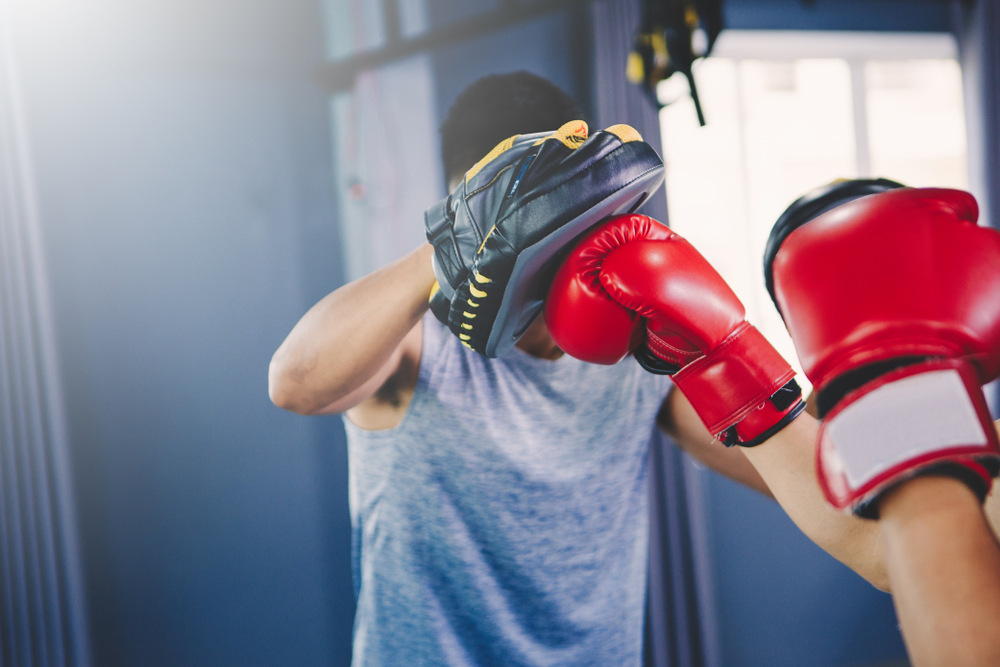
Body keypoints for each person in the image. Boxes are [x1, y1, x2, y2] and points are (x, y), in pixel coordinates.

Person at [268, 72, 941, 665]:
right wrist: (456, 238)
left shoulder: (630, 347)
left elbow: (816, 475)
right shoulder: (418, 345)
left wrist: (882, 357)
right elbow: (294, 383)